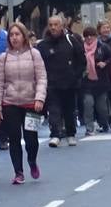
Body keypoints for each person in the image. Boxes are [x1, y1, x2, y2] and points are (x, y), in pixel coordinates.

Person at [0, 21, 48, 184]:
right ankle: (18, 171)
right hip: (10, 103)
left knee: (31, 138)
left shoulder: (34, 54)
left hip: (30, 102)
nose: (14, 38)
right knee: (14, 138)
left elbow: (42, 78)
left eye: (18, 34)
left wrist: (39, 98)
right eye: (11, 35)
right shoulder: (4, 58)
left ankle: (32, 160)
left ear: (24, 36)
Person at [35, 14, 85, 146]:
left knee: (69, 110)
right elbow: (37, 64)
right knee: (54, 110)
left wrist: (76, 76)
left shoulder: (71, 41)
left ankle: (70, 134)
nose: (53, 27)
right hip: (51, 84)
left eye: (56, 25)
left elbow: (81, 60)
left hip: (70, 84)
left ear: (62, 26)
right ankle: (55, 134)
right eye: (50, 25)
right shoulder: (43, 45)